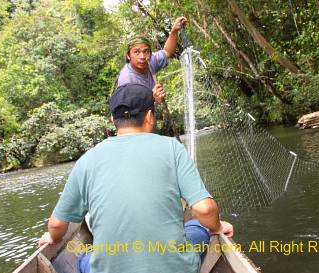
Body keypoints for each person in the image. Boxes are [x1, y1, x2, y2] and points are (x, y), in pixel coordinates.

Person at [39, 83, 233, 273]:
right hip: (176, 268)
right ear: (149, 116)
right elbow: (205, 209)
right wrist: (217, 226)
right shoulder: (172, 148)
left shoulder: (87, 160)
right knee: (198, 225)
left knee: (84, 257)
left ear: (112, 119)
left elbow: (56, 224)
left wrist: (53, 238)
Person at [117, 16, 187, 103]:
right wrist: (154, 100)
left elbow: (167, 51)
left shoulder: (149, 61)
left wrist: (174, 30)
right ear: (128, 56)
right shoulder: (127, 80)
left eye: (146, 51)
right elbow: (131, 111)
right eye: (137, 52)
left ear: (150, 53)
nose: (142, 56)